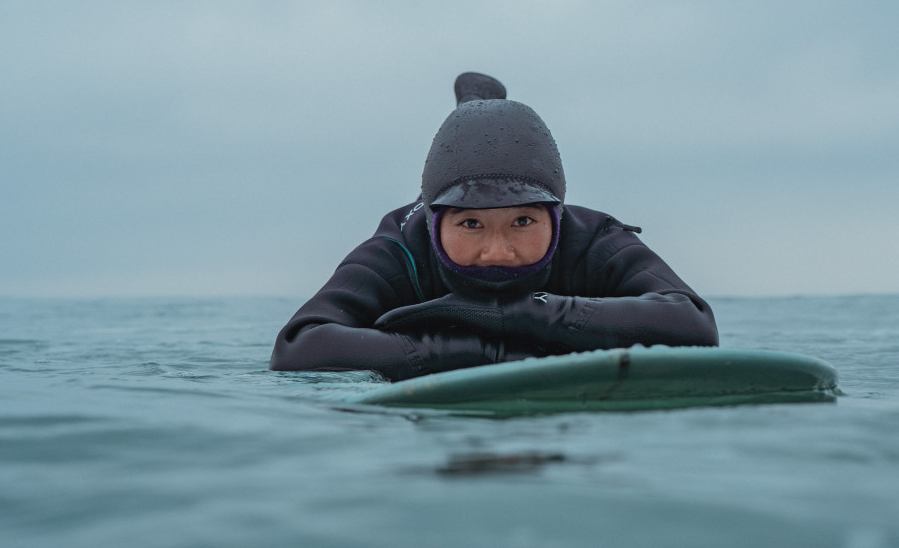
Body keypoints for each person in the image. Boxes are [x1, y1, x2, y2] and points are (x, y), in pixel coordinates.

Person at [270, 72, 717, 380]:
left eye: (523, 220)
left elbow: (693, 325)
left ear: (556, 213)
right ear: (433, 218)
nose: (498, 251)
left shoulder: (591, 238)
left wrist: (524, 312)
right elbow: (298, 346)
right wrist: (481, 354)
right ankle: (480, 104)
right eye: (470, 223)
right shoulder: (400, 246)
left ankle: (481, 104)